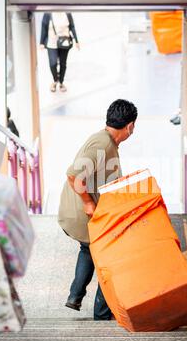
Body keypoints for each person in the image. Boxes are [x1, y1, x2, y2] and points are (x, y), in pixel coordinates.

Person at [58, 99, 138, 320]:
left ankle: (75, 296)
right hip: (82, 214)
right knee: (112, 255)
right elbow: (73, 174)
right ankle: (102, 314)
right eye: (133, 128)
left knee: (88, 249)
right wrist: (88, 202)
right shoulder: (102, 144)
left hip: (84, 215)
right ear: (130, 126)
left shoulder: (108, 142)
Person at [39, 12, 80, 93]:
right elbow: (44, 27)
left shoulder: (67, 13)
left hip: (65, 42)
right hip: (52, 42)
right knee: (53, 63)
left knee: (63, 64)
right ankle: (55, 80)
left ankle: (61, 82)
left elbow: (72, 26)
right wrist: (41, 42)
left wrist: (76, 41)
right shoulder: (48, 14)